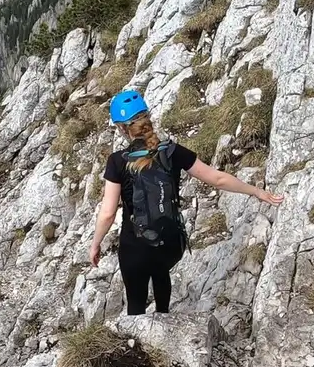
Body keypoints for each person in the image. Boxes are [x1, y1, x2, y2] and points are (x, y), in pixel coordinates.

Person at [90, 88, 285, 316]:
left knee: (136, 305)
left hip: (135, 248)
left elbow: (107, 214)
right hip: (170, 242)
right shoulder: (172, 151)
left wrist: (96, 244)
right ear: (147, 118)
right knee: (161, 277)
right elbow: (217, 179)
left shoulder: (117, 161)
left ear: (123, 129)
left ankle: (140, 334)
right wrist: (256, 191)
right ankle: (163, 317)